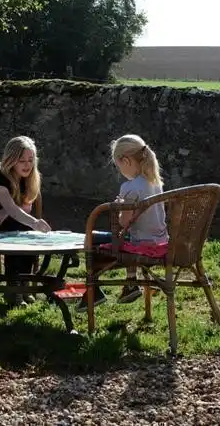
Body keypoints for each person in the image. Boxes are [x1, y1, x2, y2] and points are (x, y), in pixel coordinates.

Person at [77, 134, 169, 313]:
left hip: (141, 245)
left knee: (92, 237)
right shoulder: (155, 182)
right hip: (160, 241)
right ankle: (131, 282)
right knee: (130, 234)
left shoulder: (130, 187)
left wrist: (119, 207)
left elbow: (122, 222)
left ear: (125, 160)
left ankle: (94, 291)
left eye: (118, 166)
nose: (119, 170)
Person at [0, 136, 51, 306]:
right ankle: (13, 286)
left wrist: (8, 211)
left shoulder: (28, 178)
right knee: (21, 226)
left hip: (6, 218)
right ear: (11, 160)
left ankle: (24, 283)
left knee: (26, 231)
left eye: (30, 160)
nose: (27, 165)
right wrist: (33, 221)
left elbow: (25, 207)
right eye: (22, 161)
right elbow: (13, 208)